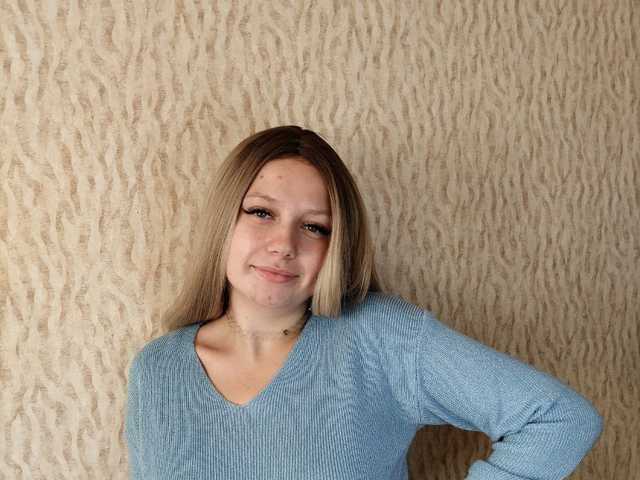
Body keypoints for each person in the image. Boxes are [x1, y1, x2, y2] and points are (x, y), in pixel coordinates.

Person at [125, 125, 603, 479]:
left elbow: (558, 419)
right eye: (261, 212)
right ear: (223, 221)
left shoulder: (381, 338)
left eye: (314, 226)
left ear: (337, 245)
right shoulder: (158, 369)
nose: (284, 244)